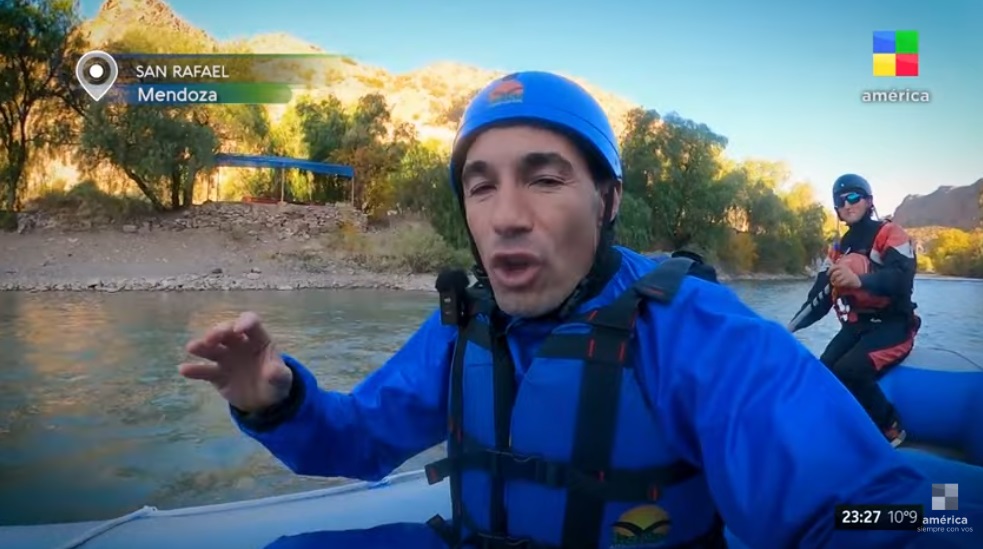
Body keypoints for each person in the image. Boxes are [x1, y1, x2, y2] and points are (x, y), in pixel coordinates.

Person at [181, 72, 939, 549]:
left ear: (606, 200)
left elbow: (874, 510)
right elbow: (356, 441)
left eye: (543, 180)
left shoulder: (697, 329)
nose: (506, 216)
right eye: (481, 186)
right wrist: (276, 401)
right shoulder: (464, 327)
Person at [787, 174, 919, 447]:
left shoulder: (890, 233)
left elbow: (902, 278)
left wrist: (859, 281)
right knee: (824, 369)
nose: (847, 204)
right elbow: (819, 298)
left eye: (854, 197)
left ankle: (892, 428)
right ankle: (841, 428)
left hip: (894, 326)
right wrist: (789, 328)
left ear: (868, 200)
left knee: (850, 370)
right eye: (841, 201)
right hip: (856, 327)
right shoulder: (837, 250)